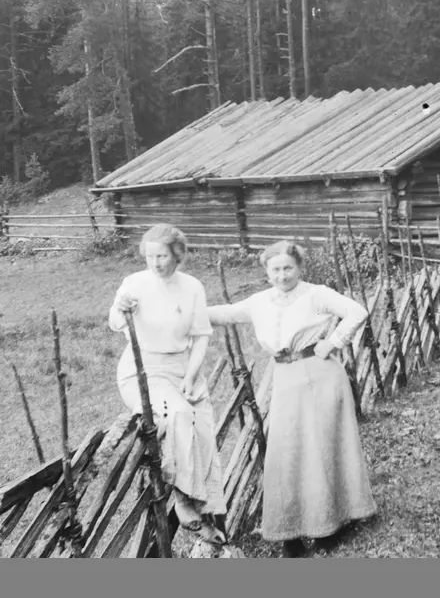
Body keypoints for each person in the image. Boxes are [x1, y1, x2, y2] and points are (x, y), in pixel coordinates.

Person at [207, 240, 377, 558]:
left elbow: (357, 312)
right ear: (266, 271)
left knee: (323, 447)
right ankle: (292, 532)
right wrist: (175, 311)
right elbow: (225, 314)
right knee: (286, 453)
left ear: (299, 268)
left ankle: (333, 524)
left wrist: (335, 341)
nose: (282, 275)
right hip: (285, 379)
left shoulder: (316, 294)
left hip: (321, 375)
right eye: (275, 269)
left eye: (288, 268)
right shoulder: (260, 301)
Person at [108, 224, 226, 547]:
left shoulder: (192, 287)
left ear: (177, 255)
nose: (155, 262)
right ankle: (186, 505)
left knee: (202, 428)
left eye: (161, 255)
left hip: (182, 368)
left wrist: (190, 375)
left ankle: (210, 518)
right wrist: (121, 307)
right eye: (150, 256)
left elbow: (201, 335)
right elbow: (115, 322)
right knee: (177, 414)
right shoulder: (134, 283)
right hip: (143, 370)